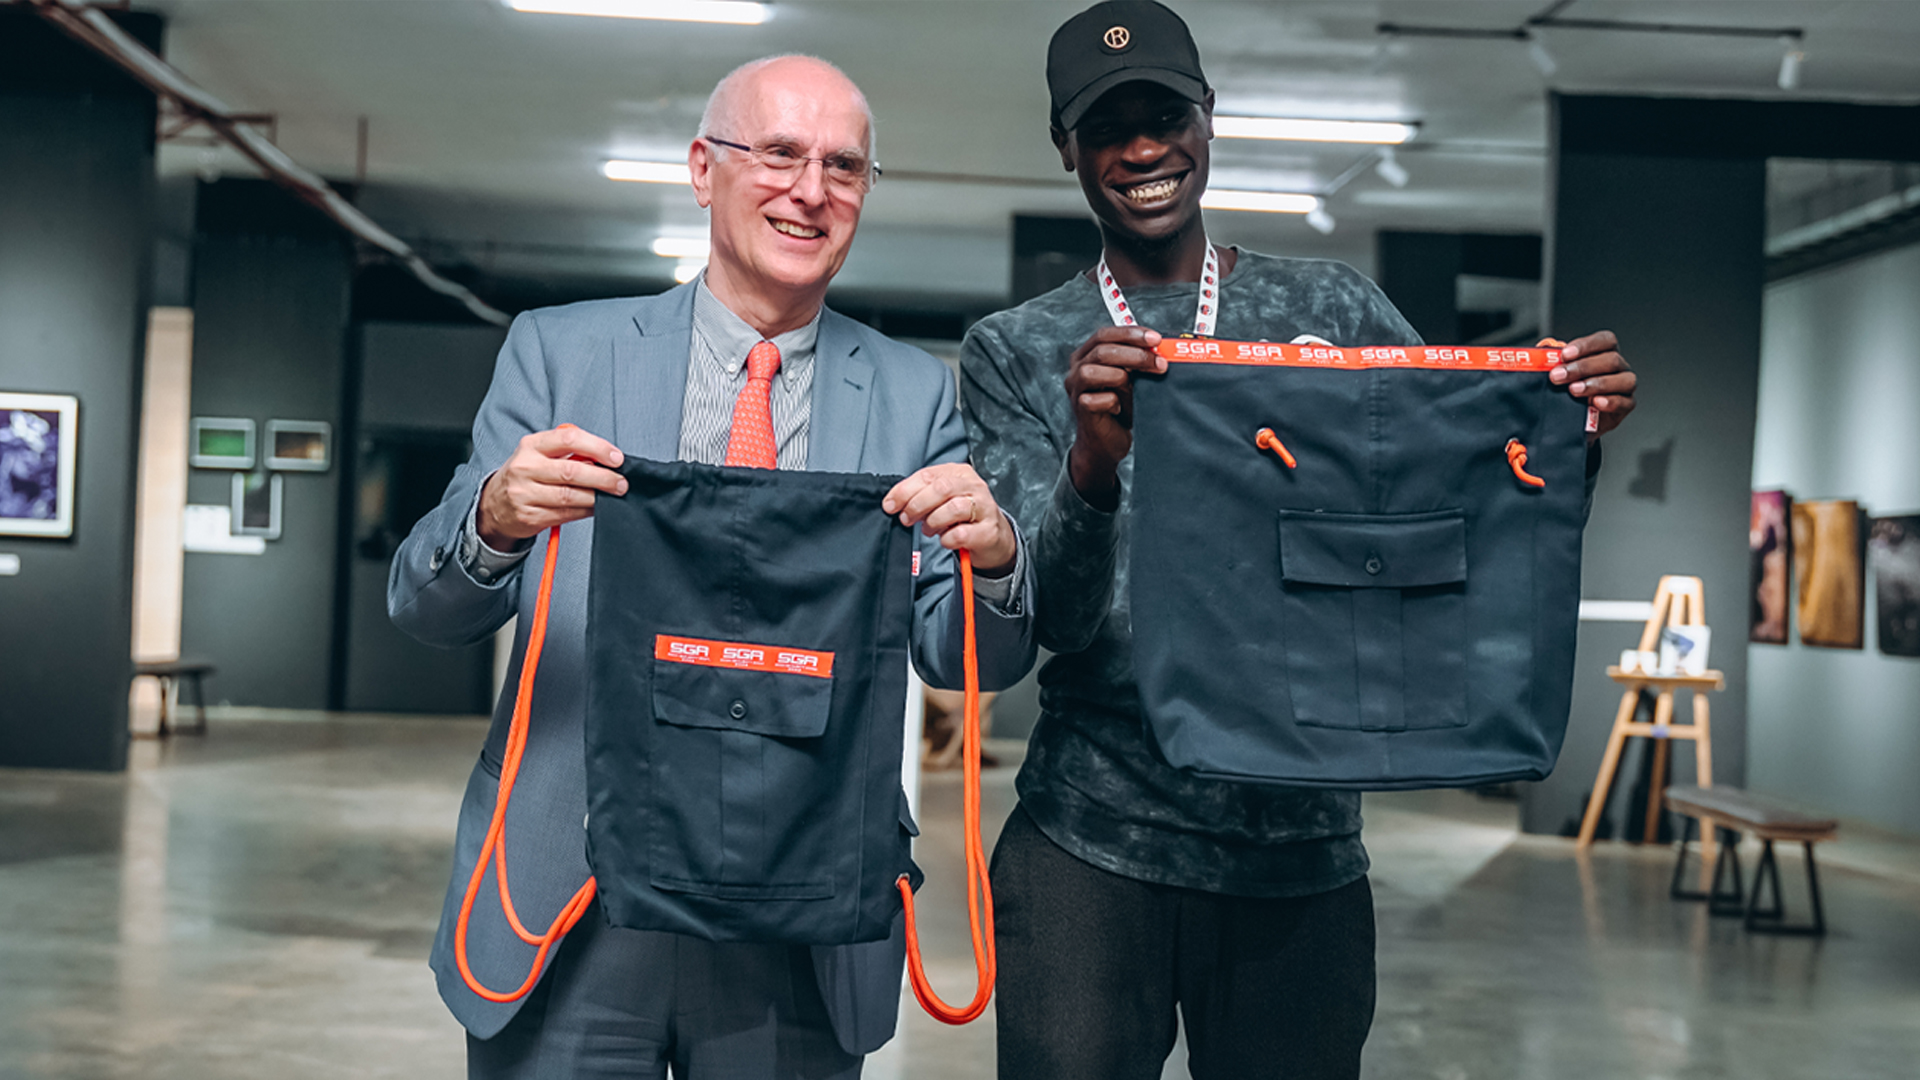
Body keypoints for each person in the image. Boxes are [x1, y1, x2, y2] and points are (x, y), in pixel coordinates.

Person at [959, 4, 1639, 1078]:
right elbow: (1045, 618)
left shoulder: (1333, 306)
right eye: (1107, 127)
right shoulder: (1018, 350)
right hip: (1090, 843)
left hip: (1301, 851)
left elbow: (1455, 528)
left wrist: (1566, 438)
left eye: (1165, 114)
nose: (1143, 149)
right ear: (1068, 150)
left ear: (1208, 120)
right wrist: (1092, 464)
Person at [391, 54, 1036, 1080]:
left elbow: (967, 655)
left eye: (844, 166)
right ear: (703, 168)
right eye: (778, 153)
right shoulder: (561, 355)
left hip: (804, 912)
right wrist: (496, 520)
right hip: (577, 899)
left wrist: (994, 563)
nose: (810, 191)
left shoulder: (915, 398)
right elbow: (426, 605)